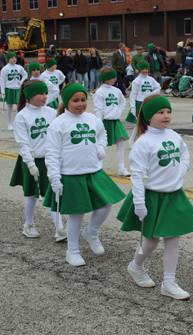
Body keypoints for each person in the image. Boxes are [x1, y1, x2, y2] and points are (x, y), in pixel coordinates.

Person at [117, 95, 193, 299]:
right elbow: (137, 176)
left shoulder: (173, 135)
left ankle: (169, 282)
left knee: (173, 240)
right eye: (160, 112)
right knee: (151, 242)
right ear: (148, 117)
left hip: (173, 195)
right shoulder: (143, 142)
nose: (166, 116)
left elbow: (184, 153)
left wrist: (182, 169)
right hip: (152, 197)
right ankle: (136, 266)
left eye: (168, 112)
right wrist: (139, 203)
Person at [43, 83, 126, 267]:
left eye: (83, 100)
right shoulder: (59, 123)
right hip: (71, 175)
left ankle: (91, 232)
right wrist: (54, 178)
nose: (80, 104)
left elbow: (102, 134)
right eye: (75, 101)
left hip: (93, 171)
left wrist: (100, 146)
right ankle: (72, 250)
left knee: (106, 204)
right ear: (66, 102)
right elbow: (52, 153)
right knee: (76, 213)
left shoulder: (92, 119)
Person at [10, 80, 65, 241]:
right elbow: (23, 143)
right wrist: (30, 164)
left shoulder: (50, 112)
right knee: (32, 195)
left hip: (50, 159)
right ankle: (29, 224)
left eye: (45, 93)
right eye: (40, 93)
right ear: (29, 96)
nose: (44, 96)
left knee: (55, 192)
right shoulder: (22, 116)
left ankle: (59, 227)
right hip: (32, 161)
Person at [93, 67, 130, 176]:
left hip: (115, 121)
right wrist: (99, 124)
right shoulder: (99, 92)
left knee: (120, 145)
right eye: (112, 77)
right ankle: (98, 167)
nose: (115, 79)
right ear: (106, 78)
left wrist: (119, 112)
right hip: (104, 122)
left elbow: (123, 102)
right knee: (102, 146)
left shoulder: (117, 91)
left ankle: (121, 168)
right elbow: (98, 109)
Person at [126, 61, 161, 143]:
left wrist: (151, 95)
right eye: (143, 69)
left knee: (150, 122)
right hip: (140, 103)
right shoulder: (136, 81)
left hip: (149, 103)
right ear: (140, 70)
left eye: (146, 69)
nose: (145, 70)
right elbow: (133, 94)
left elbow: (158, 87)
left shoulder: (151, 79)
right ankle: (132, 139)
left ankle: (147, 139)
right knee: (139, 123)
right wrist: (132, 107)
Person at [0, 52, 28, 130]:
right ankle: (9, 124)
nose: (14, 59)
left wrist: (21, 81)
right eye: (12, 58)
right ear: (8, 59)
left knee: (20, 106)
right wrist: (3, 92)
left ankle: (20, 123)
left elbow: (25, 74)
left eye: (15, 58)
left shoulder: (19, 67)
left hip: (17, 89)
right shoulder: (5, 69)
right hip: (9, 89)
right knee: (9, 107)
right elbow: (2, 80)